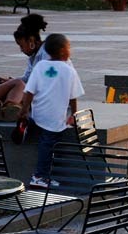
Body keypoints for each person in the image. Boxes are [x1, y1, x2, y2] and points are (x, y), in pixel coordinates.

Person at [17, 34, 84, 189]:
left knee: (40, 129)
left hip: (38, 113)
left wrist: (24, 110)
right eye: (69, 47)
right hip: (54, 118)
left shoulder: (40, 66)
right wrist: (74, 115)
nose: (70, 50)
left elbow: (29, 91)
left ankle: (27, 124)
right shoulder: (69, 70)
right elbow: (73, 97)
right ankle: (39, 176)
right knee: (47, 144)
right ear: (62, 51)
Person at [0, 13, 51, 85]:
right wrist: (11, 81)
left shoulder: (48, 53)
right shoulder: (33, 57)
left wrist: (15, 83)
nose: (21, 50)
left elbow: (45, 80)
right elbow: (27, 77)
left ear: (31, 40)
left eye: (21, 46)